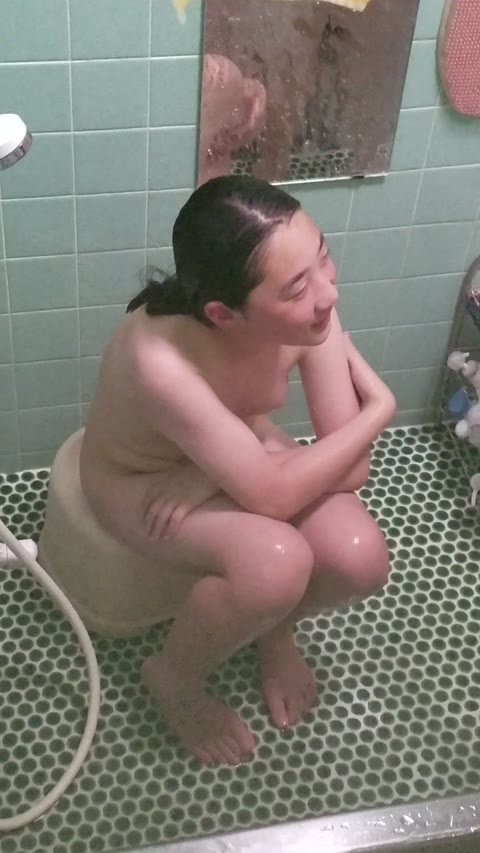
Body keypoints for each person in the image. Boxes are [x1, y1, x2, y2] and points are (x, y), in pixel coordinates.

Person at [79, 175, 396, 767]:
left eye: (322, 257)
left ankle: (272, 629)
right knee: (276, 564)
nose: (327, 292)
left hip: (232, 456)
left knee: (360, 558)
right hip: (143, 483)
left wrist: (224, 471)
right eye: (297, 286)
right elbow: (275, 497)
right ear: (225, 314)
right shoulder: (159, 360)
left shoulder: (312, 313)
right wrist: (380, 408)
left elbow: (352, 467)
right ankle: (173, 677)